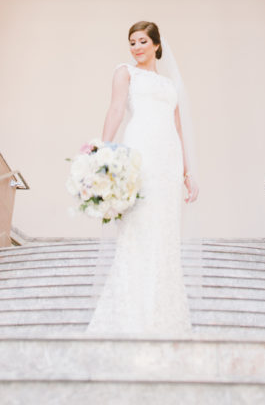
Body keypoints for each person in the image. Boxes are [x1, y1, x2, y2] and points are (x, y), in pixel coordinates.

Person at [86, 21, 198, 337]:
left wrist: (187, 173)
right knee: (138, 227)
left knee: (164, 232)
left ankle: (163, 314)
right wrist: (102, 151)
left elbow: (178, 128)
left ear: (156, 45)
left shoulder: (171, 85)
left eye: (142, 41)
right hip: (141, 152)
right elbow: (116, 110)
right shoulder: (125, 72)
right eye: (132, 42)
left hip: (168, 159)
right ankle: (129, 312)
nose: (136, 47)